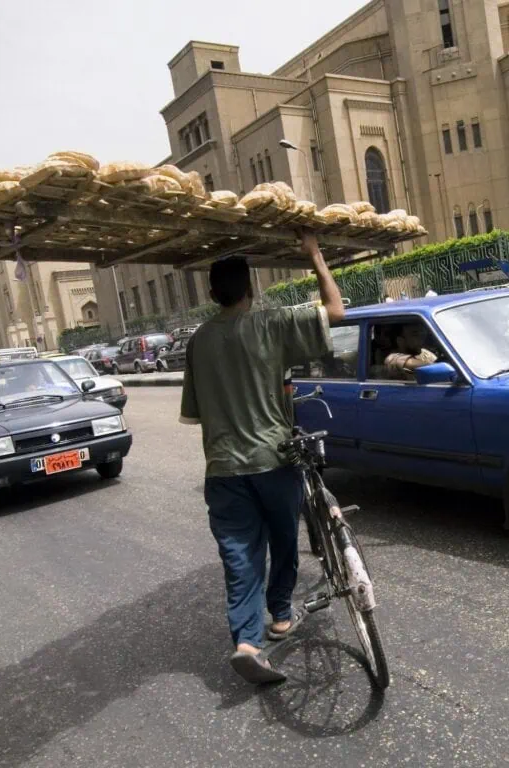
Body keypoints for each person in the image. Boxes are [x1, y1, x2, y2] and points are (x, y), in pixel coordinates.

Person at [180, 234, 345, 685]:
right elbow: (335, 312)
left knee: (239, 555)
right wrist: (314, 251)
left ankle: (247, 643)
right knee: (282, 540)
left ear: (212, 294)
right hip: (273, 460)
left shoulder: (197, 343)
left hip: (224, 471)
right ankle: (280, 615)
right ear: (251, 289)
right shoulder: (271, 324)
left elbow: (193, 413)